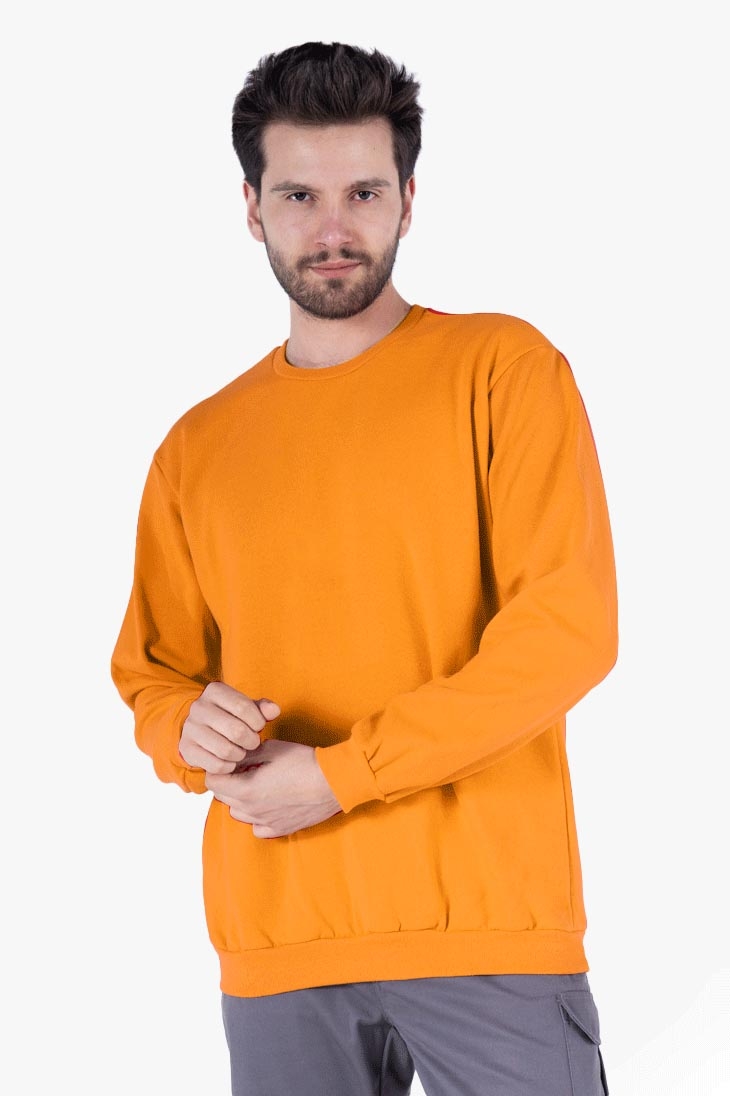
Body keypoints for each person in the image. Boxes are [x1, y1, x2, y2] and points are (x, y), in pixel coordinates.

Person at [111, 41, 617, 1096]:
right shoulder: (198, 447)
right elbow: (154, 677)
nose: (332, 228)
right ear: (251, 208)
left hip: (484, 927)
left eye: (363, 193)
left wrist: (342, 777)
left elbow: (566, 630)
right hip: (278, 939)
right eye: (299, 195)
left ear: (408, 200)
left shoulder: (503, 370)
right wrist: (186, 730)